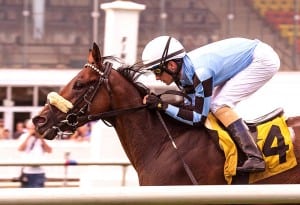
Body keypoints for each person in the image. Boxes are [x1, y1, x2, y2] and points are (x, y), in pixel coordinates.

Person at [141, 36, 280, 173]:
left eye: (157, 71)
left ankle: (255, 157)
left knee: (219, 104)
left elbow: (198, 118)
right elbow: (190, 107)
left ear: (171, 65)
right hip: (246, 55)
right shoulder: (182, 74)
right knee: (213, 105)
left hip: (262, 60)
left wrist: (162, 106)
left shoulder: (200, 73)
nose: (157, 78)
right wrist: (162, 104)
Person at [18, 119, 52, 188]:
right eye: (32, 127)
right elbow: (20, 149)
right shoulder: (23, 136)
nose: (34, 129)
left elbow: (49, 150)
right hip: (27, 171)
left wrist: (41, 138)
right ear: (28, 128)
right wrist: (29, 136)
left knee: (39, 196)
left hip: (40, 171)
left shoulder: (43, 137)